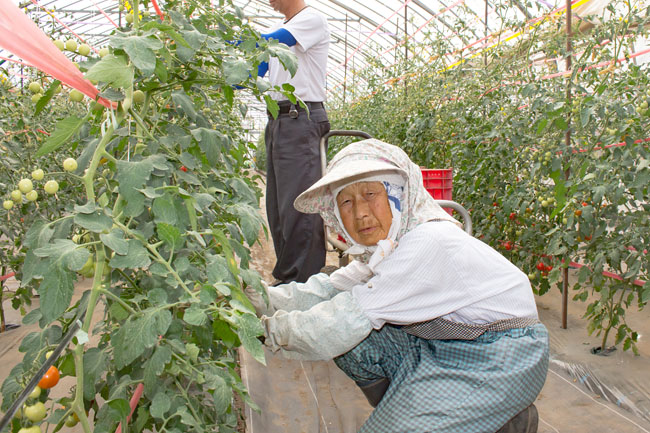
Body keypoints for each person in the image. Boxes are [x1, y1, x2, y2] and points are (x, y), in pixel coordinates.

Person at [250, 138, 549, 433]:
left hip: (503, 354)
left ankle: (500, 421)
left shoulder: (425, 242)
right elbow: (328, 290)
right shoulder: (388, 246)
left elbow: (342, 321)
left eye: (370, 194)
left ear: (400, 195)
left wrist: (263, 332)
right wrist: (257, 297)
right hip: (445, 343)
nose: (360, 213)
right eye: (346, 201)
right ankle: (423, 413)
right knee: (359, 347)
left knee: (351, 331)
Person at [259, 0, 331, 285]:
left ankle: (301, 281)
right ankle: (290, 277)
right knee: (278, 208)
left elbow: (271, 43)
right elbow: (256, 69)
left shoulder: (311, 20)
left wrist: (230, 42)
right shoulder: (281, 31)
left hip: (300, 117)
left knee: (299, 205)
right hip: (280, 120)